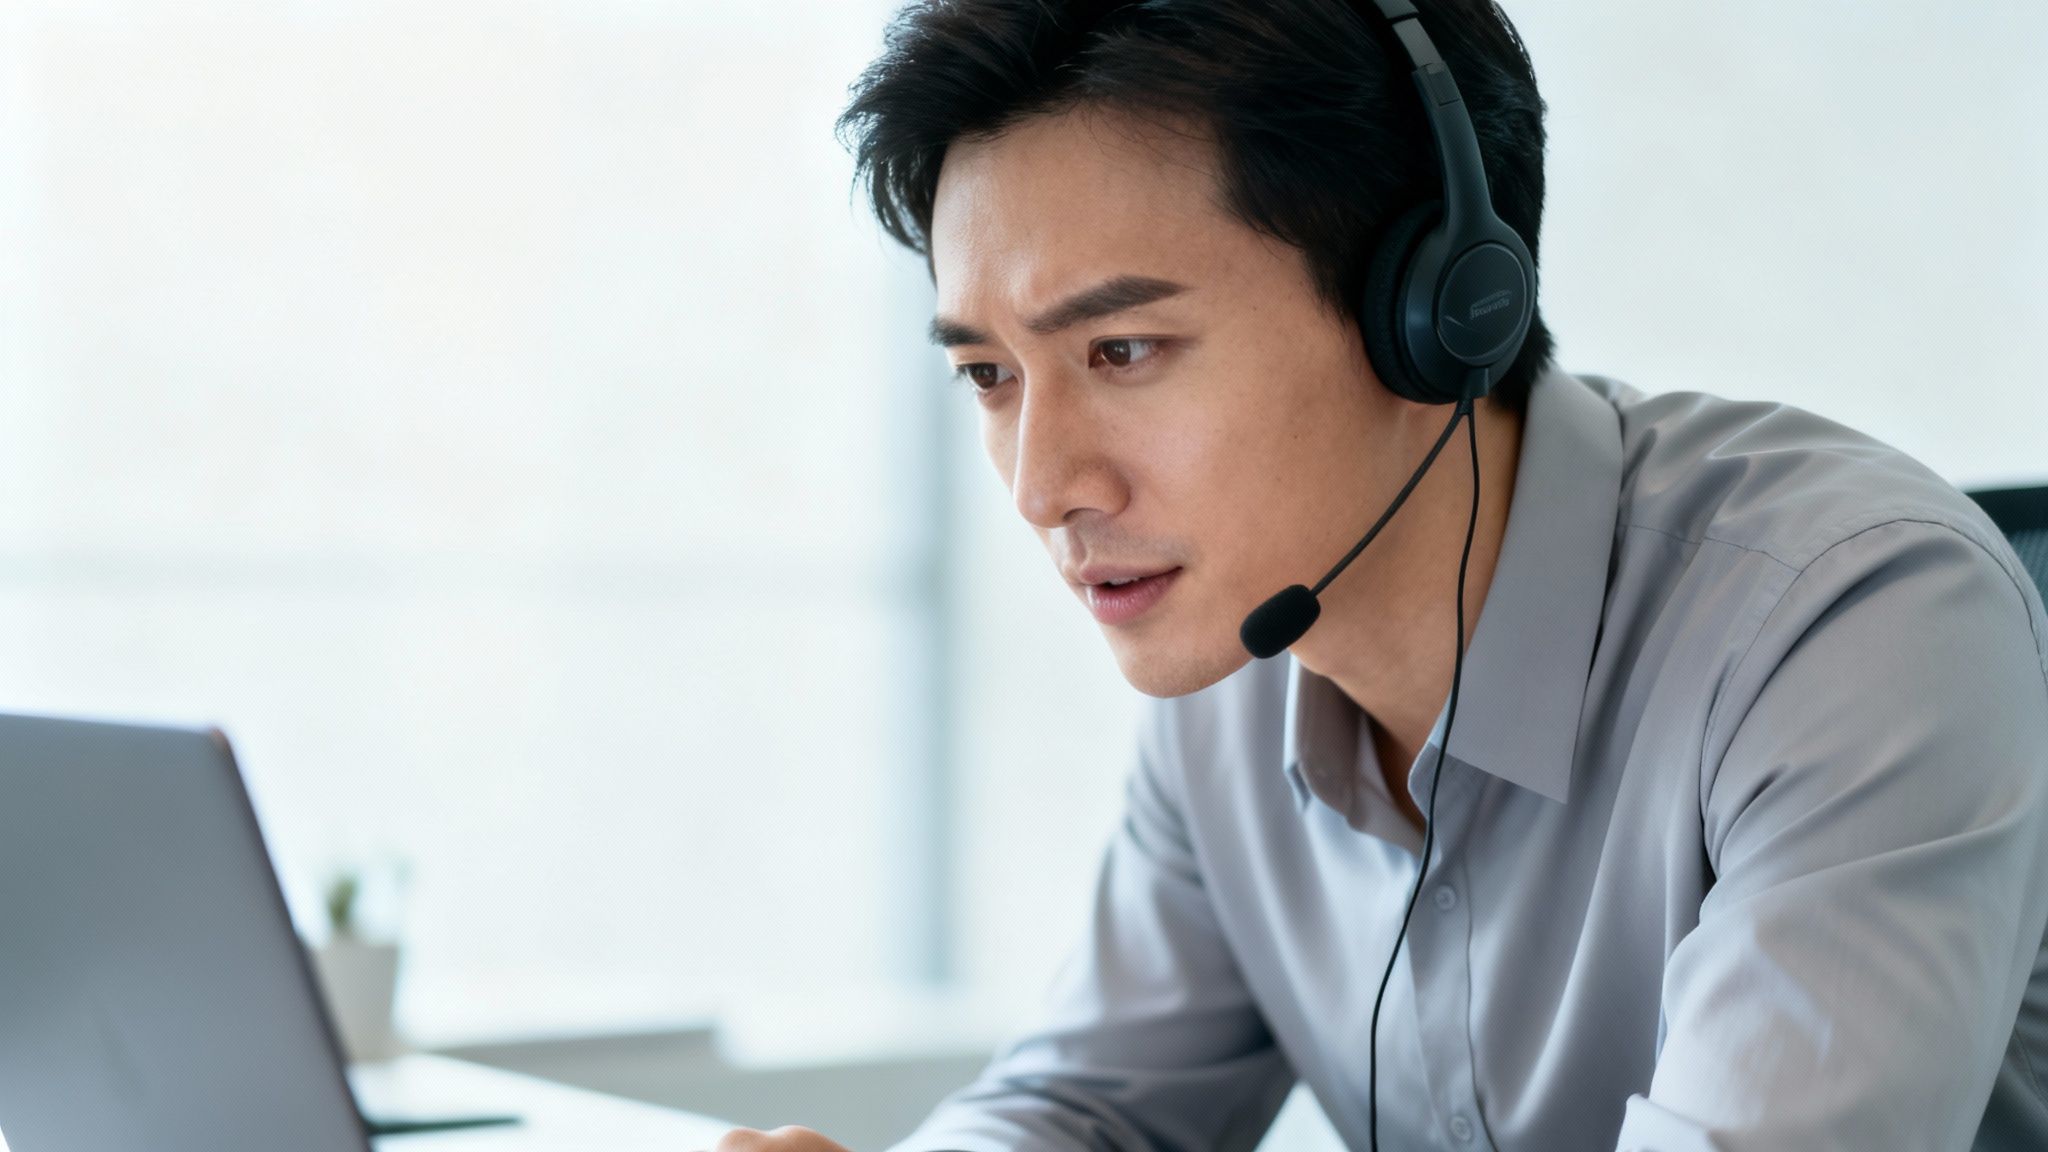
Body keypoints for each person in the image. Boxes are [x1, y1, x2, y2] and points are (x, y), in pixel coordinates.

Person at [706, 1, 2048, 1148]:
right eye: (989, 376)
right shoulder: (1233, 661)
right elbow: (1093, 1108)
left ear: (1440, 313)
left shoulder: (1851, 621)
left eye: (1122, 352)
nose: (1043, 484)